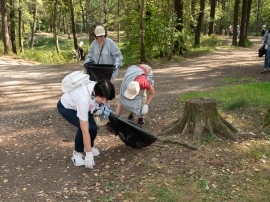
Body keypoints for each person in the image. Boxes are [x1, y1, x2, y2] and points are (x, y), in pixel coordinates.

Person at [57, 80, 115, 169]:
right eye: (102, 99)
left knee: (93, 128)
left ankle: (89, 146)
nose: (104, 102)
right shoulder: (84, 99)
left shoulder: (99, 87)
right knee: (84, 128)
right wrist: (89, 155)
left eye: (106, 99)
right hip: (67, 107)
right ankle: (77, 153)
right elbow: (84, 130)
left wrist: (89, 150)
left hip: (83, 106)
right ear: (95, 92)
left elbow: (97, 105)